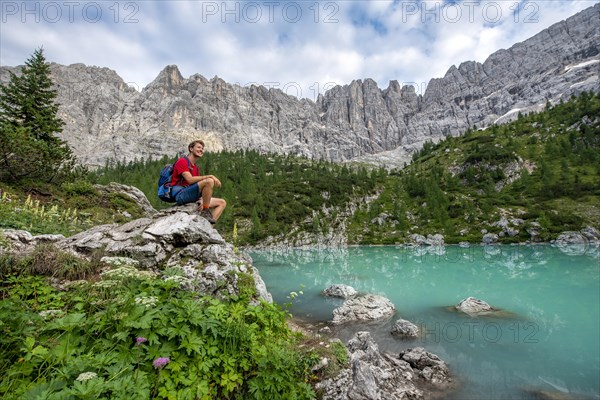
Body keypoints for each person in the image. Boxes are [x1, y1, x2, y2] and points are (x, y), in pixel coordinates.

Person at [170, 140, 226, 224]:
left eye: (202, 149)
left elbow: (196, 186)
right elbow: (190, 179)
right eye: (199, 147)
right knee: (209, 181)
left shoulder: (195, 167)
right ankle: (205, 210)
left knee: (222, 203)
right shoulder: (182, 161)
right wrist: (210, 176)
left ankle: (207, 226)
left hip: (190, 194)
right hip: (180, 195)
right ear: (191, 149)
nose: (201, 150)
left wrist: (203, 199)